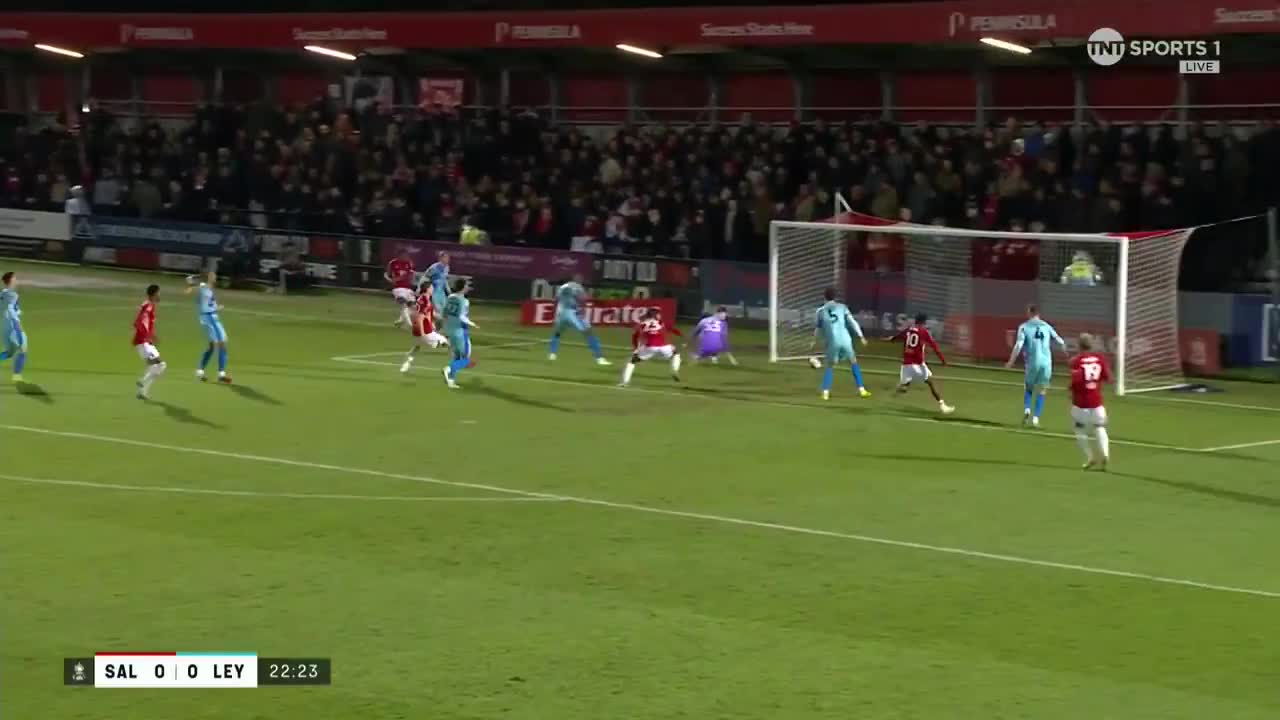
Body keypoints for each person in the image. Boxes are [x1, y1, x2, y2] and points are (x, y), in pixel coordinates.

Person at [1005, 304, 1066, 428]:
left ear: (1029, 313)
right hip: (1046, 363)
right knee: (1042, 390)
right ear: (1039, 314)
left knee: (1028, 388)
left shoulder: (1024, 327)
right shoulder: (1046, 326)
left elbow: (1018, 345)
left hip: (1032, 362)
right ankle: (1036, 419)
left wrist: (1011, 361)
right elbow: (1060, 340)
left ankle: (1027, 409)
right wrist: (1064, 350)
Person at [889, 313, 955, 414]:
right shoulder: (924, 332)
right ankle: (943, 406)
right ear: (923, 322)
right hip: (917, 364)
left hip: (906, 364)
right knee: (931, 382)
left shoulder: (908, 330)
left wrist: (890, 339)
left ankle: (900, 389)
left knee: (905, 385)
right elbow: (934, 347)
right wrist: (943, 361)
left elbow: (895, 338)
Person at [811, 288, 869, 400]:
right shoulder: (842, 307)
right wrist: (861, 336)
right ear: (835, 297)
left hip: (833, 341)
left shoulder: (820, 311)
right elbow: (852, 322)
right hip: (846, 339)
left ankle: (825, 392)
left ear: (824, 297)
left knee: (829, 365)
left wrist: (814, 340)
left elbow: (818, 329)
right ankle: (862, 390)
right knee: (853, 362)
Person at [1068, 333, 1112, 470]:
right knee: (1099, 427)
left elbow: (1076, 382)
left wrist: (1070, 391)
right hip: (1097, 402)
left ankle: (1090, 457)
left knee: (1079, 429)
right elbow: (1108, 378)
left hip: (1081, 403)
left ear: (1079, 345)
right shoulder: (1100, 359)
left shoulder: (1076, 361)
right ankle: (1105, 454)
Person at [547, 273, 609, 365]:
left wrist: (555, 313)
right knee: (588, 332)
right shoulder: (578, 287)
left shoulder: (563, 286)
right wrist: (582, 311)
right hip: (571, 313)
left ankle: (552, 353)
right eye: (580, 279)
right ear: (577, 279)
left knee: (557, 333)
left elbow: (556, 300)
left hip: (560, 313)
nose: (581, 280)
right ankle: (599, 358)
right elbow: (583, 300)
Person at [619, 308, 682, 387]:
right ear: (655, 315)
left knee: (632, 362)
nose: (660, 316)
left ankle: (624, 382)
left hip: (650, 347)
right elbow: (672, 329)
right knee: (676, 354)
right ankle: (674, 370)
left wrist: (636, 349)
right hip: (664, 347)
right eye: (658, 314)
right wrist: (681, 335)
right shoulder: (661, 322)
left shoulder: (642, 324)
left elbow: (635, 337)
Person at [187, 272, 232, 384]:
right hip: (208, 318)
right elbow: (190, 291)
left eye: (215, 276)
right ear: (208, 278)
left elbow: (208, 303)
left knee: (214, 346)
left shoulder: (210, 290)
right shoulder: (203, 287)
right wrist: (190, 283)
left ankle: (202, 371)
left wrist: (217, 307)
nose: (214, 277)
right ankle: (219, 374)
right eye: (212, 276)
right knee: (219, 344)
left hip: (213, 317)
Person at [400, 281, 449, 374]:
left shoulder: (421, 299)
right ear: (427, 289)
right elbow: (420, 317)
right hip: (425, 331)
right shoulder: (426, 301)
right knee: (447, 343)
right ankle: (452, 368)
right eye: (431, 287)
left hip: (416, 330)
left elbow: (429, 313)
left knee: (416, 347)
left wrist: (442, 317)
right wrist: (423, 333)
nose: (433, 289)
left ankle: (406, 363)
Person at [441, 278, 478, 389]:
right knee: (465, 358)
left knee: (456, 356)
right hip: (460, 330)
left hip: (449, 329)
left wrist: (444, 328)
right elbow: (462, 316)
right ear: (462, 287)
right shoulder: (464, 301)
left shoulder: (450, 297)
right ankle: (448, 369)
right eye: (466, 286)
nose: (468, 288)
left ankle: (451, 381)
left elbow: (444, 313)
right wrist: (472, 324)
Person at [132, 284, 167, 400]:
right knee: (160, 365)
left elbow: (136, 322)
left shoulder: (147, 305)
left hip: (145, 341)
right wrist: (150, 335)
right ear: (154, 294)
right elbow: (141, 322)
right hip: (143, 341)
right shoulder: (148, 306)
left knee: (155, 366)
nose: (159, 295)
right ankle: (142, 381)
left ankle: (142, 392)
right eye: (158, 293)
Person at [0, 272, 27, 383]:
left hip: (3, 326)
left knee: (9, 353)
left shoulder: (2, 294)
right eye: (15, 279)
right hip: (13, 326)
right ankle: (17, 376)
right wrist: (17, 326)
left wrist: (18, 311)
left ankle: (17, 376)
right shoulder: (13, 295)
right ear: (10, 281)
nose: (16, 281)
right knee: (22, 350)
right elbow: (11, 310)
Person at [384, 248, 416, 328]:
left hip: (408, 288)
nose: (406, 257)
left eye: (407, 255)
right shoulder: (392, 263)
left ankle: (400, 321)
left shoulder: (409, 263)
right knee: (403, 304)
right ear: (399, 255)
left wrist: (406, 279)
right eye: (404, 255)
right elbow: (386, 274)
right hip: (398, 288)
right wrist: (390, 280)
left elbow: (411, 275)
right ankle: (410, 324)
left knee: (413, 307)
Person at [423, 251, 451, 323]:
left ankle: (433, 322)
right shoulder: (434, 267)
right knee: (438, 310)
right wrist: (423, 289)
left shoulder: (447, 268)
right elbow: (425, 277)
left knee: (444, 310)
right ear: (440, 258)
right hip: (434, 292)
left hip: (442, 292)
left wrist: (448, 289)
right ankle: (428, 320)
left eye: (448, 257)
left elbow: (444, 279)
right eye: (446, 257)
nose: (448, 259)